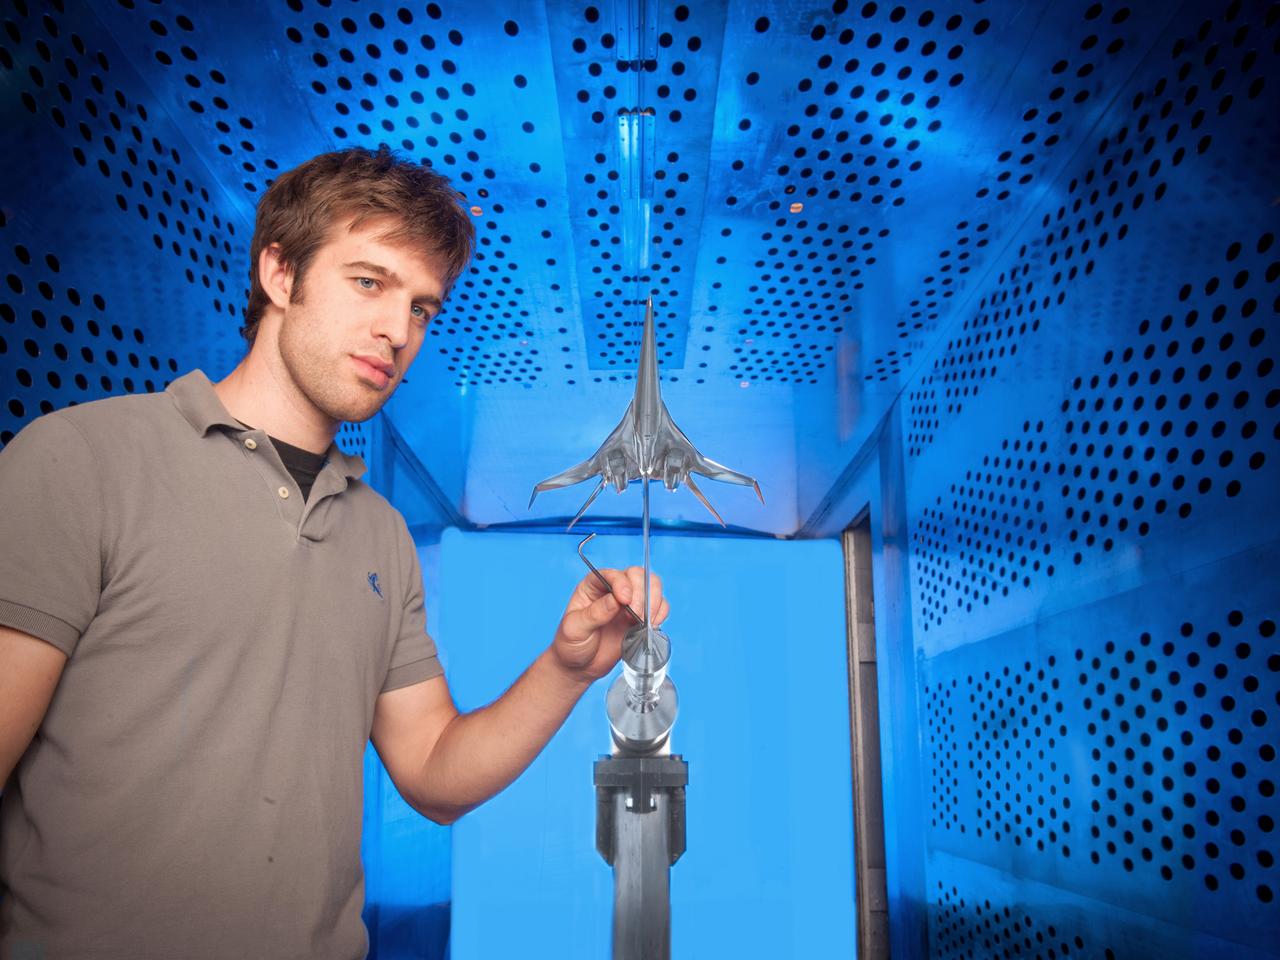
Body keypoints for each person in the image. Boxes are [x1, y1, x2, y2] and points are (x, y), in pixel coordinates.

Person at [0, 146, 667, 959]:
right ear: (279, 274)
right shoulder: (82, 459)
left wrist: (568, 669)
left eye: (422, 307)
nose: (397, 331)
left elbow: (432, 772)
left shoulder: (379, 531)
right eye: (369, 282)